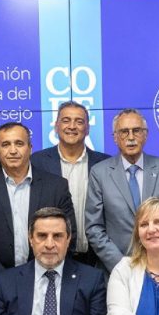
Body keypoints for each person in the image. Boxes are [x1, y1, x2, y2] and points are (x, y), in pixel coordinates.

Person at [0, 122, 76, 293]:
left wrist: (41, 275)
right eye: (5, 144)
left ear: (30, 148)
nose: (13, 150)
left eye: (19, 143)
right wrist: (3, 280)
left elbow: (68, 235)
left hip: (47, 284)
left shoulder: (56, 186)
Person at [86, 109, 159, 273]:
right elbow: (94, 227)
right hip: (117, 269)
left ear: (145, 135)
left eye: (136, 131)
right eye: (124, 132)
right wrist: (122, 265)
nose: (131, 137)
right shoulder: (99, 172)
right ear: (115, 137)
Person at [32, 101, 111, 267]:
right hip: (50, 255)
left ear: (88, 128)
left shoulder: (105, 163)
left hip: (96, 258)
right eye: (66, 120)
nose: (72, 126)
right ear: (56, 126)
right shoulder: (36, 162)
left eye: (79, 121)